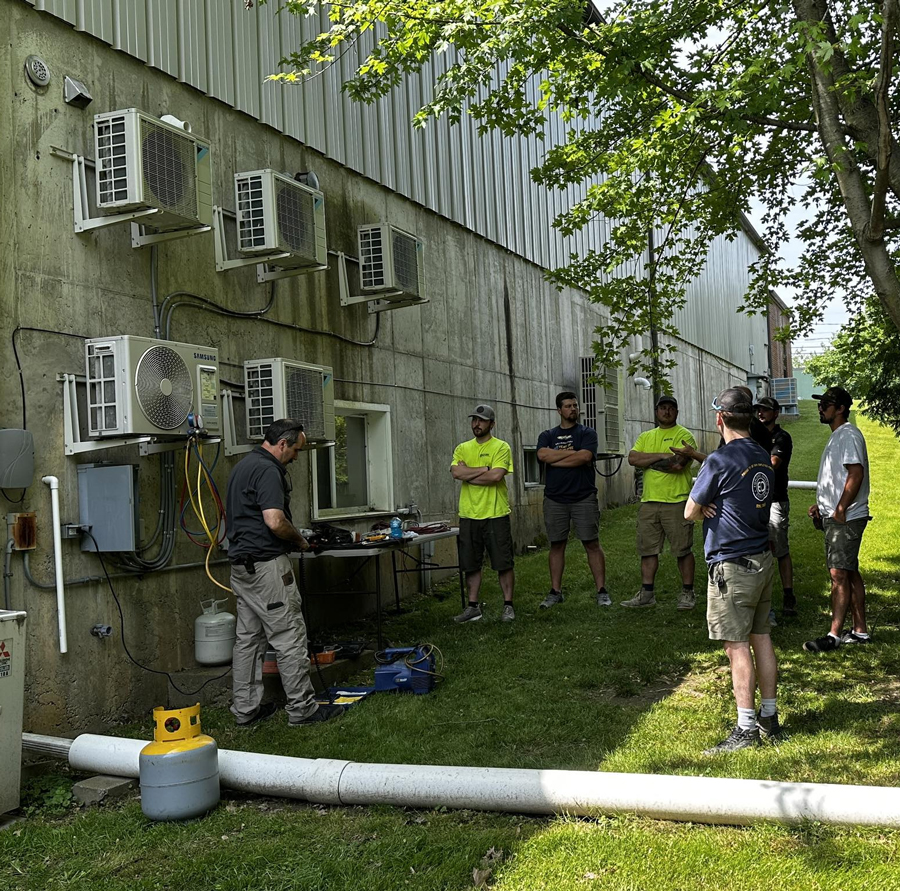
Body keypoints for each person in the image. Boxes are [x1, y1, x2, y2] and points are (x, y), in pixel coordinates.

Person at [225, 419, 343, 727]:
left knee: (248, 641)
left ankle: (245, 710)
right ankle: (303, 709)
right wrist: (300, 540)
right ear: (282, 444)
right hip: (266, 569)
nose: (296, 457)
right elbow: (275, 521)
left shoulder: (243, 466)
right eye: (296, 450)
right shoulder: (268, 470)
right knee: (288, 635)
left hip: (241, 567)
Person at [686, 388, 781, 753]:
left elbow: (689, 512)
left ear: (720, 418)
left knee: (736, 646)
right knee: (762, 637)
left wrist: (707, 507)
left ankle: (745, 730)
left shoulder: (718, 460)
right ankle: (769, 718)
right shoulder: (761, 455)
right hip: (761, 558)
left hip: (733, 564)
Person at [804, 386, 872, 652]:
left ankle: (833, 635)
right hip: (837, 514)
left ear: (841, 408)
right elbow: (838, 478)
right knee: (849, 570)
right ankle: (860, 632)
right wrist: (822, 505)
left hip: (846, 517)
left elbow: (856, 474)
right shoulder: (838, 436)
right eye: (820, 404)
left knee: (838, 574)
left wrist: (841, 508)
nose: (821, 408)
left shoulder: (848, 435)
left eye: (826, 404)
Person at [622, 395, 697, 609]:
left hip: (676, 501)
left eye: (670, 408)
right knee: (648, 549)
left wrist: (649, 461)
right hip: (649, 502)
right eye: (662, 408)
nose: (666, 412)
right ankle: (646, 594)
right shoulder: (646, 436)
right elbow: (632, 459)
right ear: (656, 412)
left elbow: (678, 465)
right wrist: (661, 456)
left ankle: (688, 593)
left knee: (682, 550)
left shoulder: (684, 435)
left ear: (677, 412)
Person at [536, 391, 609, 608]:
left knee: (591, 543)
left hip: (583, 497)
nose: (573, 409)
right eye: (568, 406)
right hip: (555, 499)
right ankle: (555, 591)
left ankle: (602, 591)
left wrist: (557, 458)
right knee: (556, 545)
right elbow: (542, 455)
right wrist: (573, 456)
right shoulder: (547, 435)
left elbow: (585, 457)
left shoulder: (587, 433)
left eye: (575, 405)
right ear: (559, 410)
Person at [450, 404, 516, 622]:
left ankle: (508, 605)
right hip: (469, 514)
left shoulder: (501, 447)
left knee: (502, 562)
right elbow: (456, 472)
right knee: (471, 563)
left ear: (492, 424)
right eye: (474, 420)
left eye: (482, 420)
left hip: (495, 513)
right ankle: (472, 607)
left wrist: (469, 474)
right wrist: (483, 470)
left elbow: (496, 477)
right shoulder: (462, 448)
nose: (476, 424)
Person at [755, 396, 796, 618]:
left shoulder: (781, 437)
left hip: (775, 500)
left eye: (766, 410)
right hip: (754, 500)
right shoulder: (752, 436)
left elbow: (773, 464)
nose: (761, 413)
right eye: (758, 410)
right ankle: (762, 598)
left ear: (776, 413)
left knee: (780, 548)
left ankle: (788, 594)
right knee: (759, 549)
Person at [670, 385, 773, 464]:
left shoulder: (722, 458)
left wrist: (694, 454)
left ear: (720, 418)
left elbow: (719, 465)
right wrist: (693, 454)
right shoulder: (762, 454)